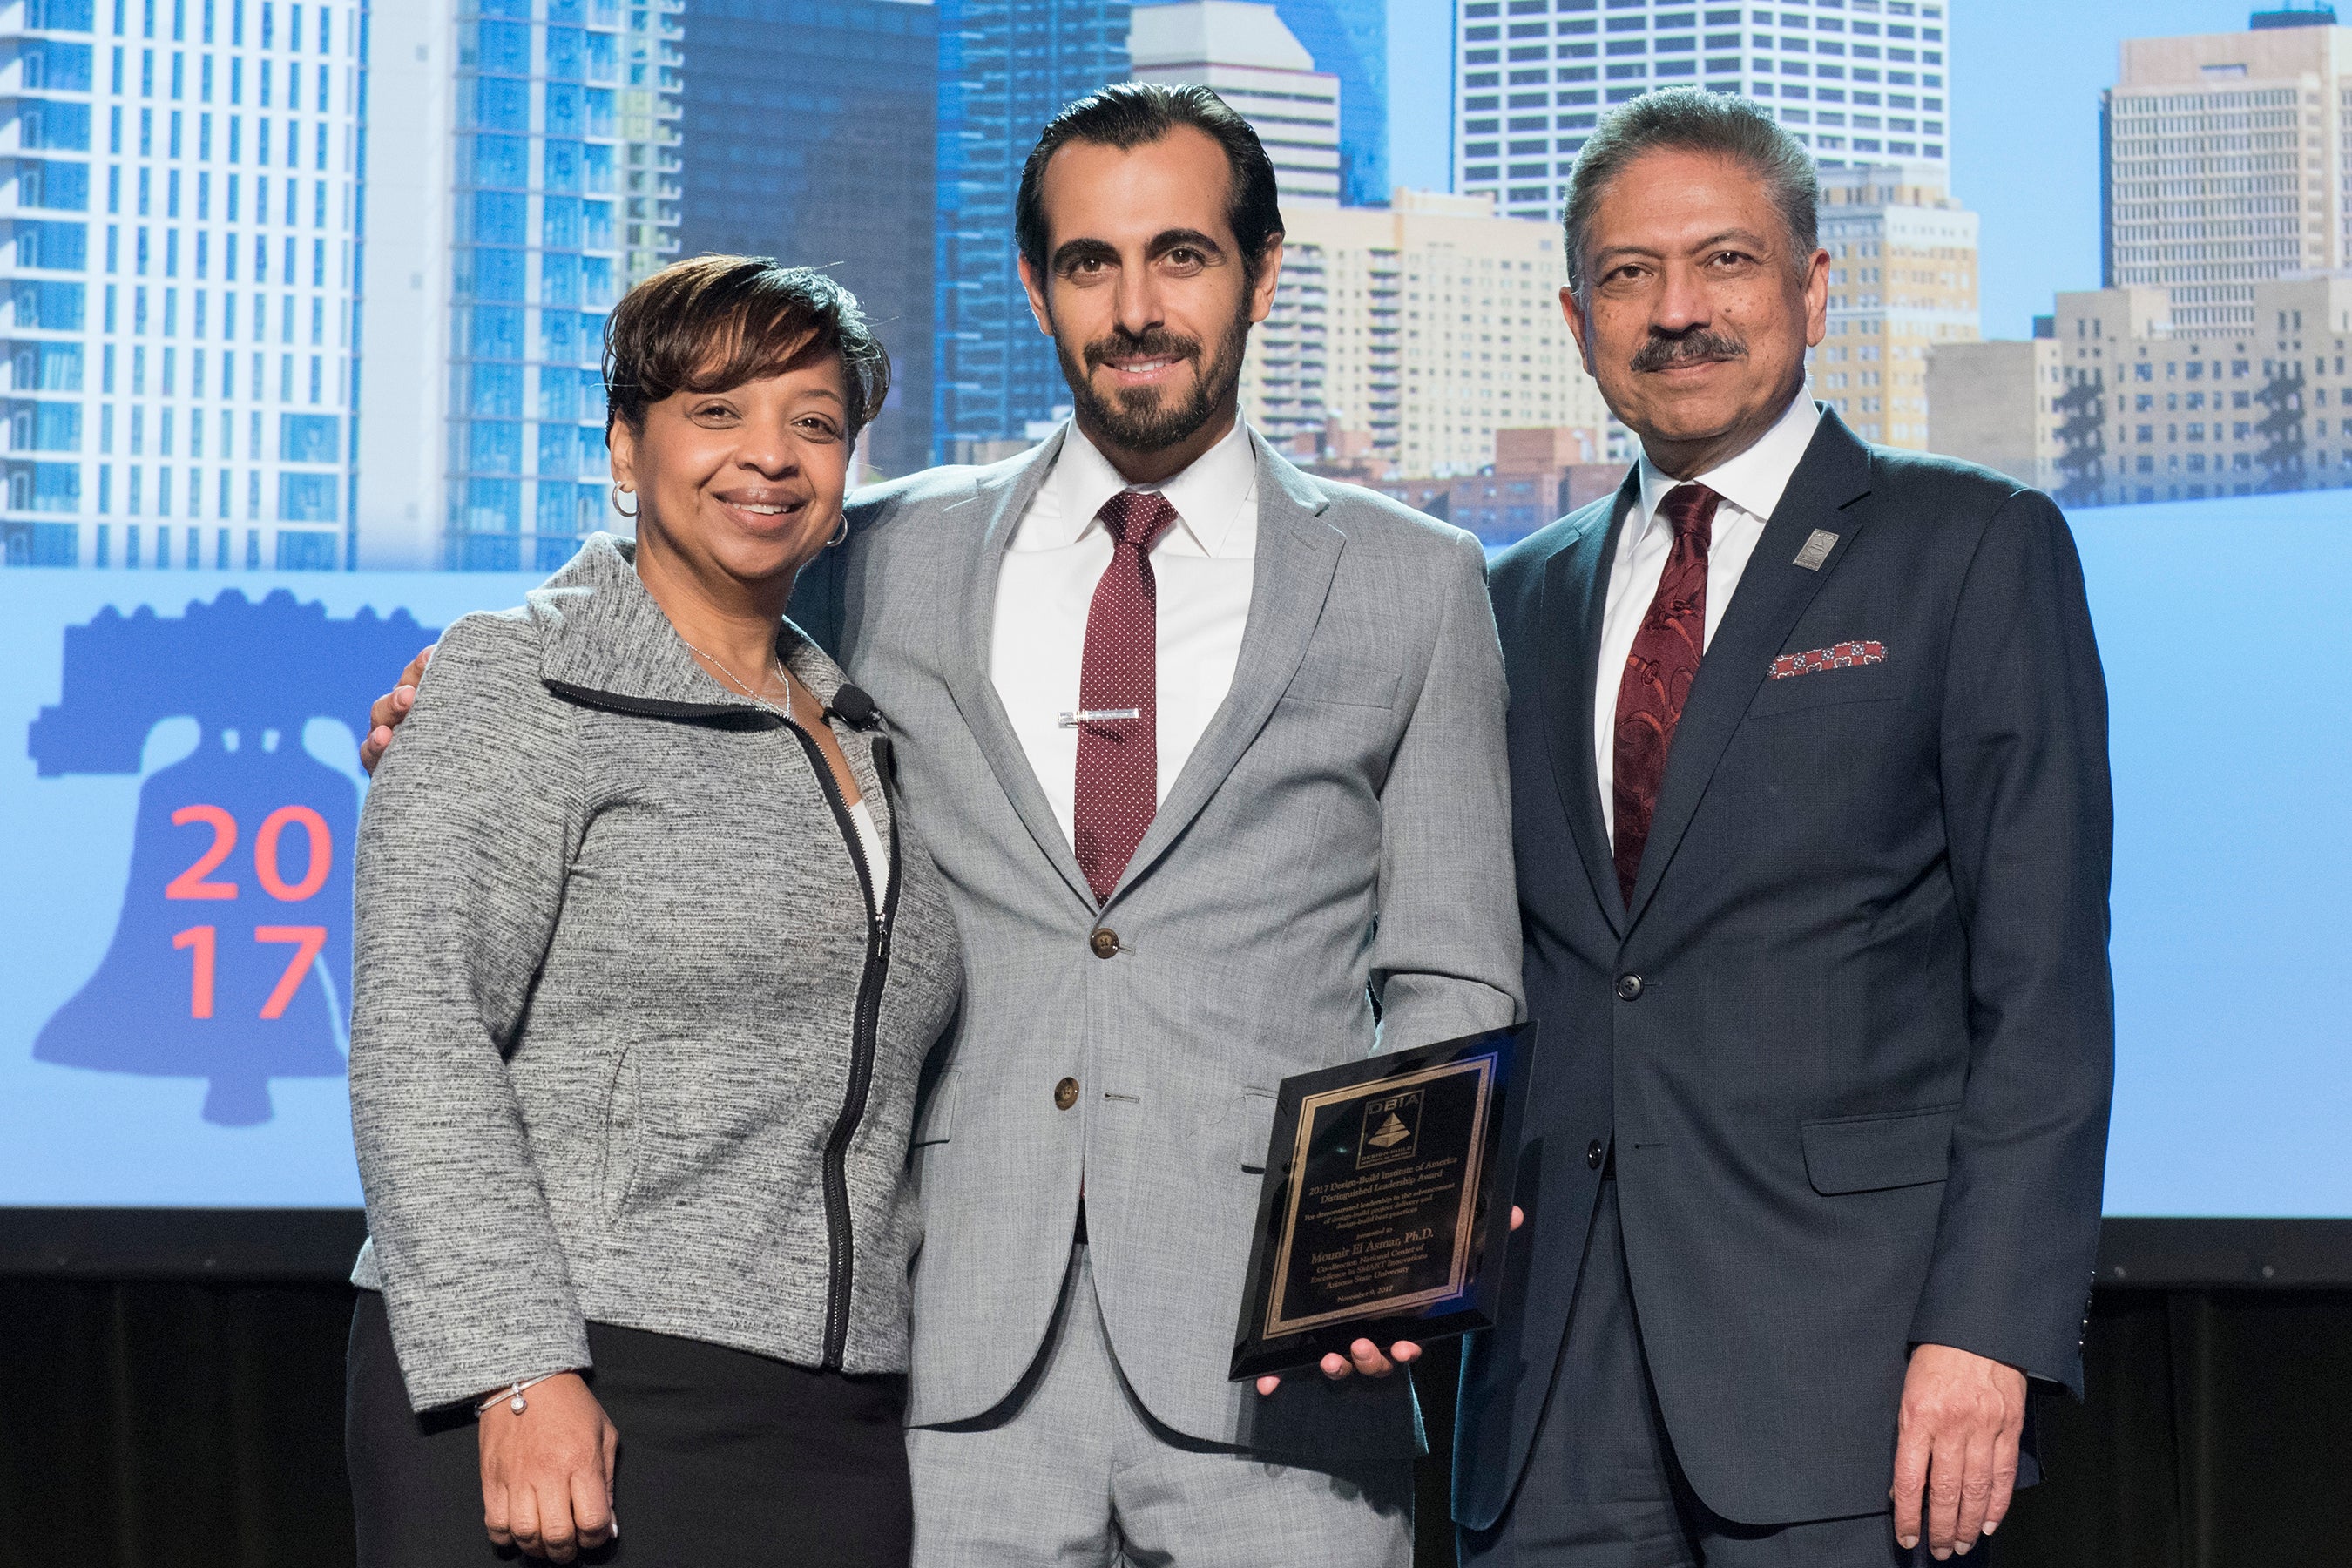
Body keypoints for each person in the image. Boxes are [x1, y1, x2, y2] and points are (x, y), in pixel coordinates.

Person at [368, 81, 1519, 1564]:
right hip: (949, 1365)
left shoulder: (1413, 579)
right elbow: (681, 604)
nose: (1137, 307)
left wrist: (1388, 1273)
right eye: (1091, 264)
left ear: (1263, 271)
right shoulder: (885, 547)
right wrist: (463, 686)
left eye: (1181, 255)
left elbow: (1451, 973)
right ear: (1038, 287)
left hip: (1278, 1372)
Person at [1454, 91, 2114, 1566]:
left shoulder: (1970, 549)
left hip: (1855, 1376)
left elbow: (2046, 993)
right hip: (1548, 1391)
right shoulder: (1509, 603)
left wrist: (1987, 1333)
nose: (1676, 311)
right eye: (1629, 274)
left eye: (1726, 262)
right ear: (1575, 315)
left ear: (1814, 287)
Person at [342, 258, 963, 1566]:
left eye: (815, 419)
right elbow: (421, 1041)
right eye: (716, 409)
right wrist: (518, 1371)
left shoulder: (862, 733)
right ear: (627, 447)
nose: (770, 455)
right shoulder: (518, 680)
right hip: (572, 1383)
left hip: (827, 1412)